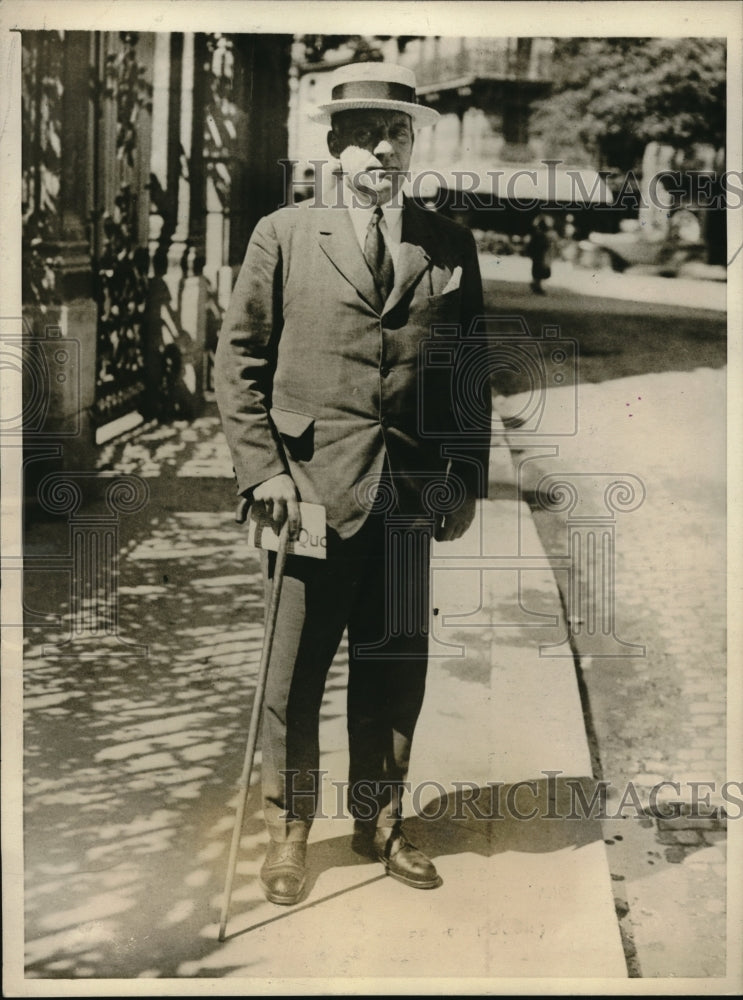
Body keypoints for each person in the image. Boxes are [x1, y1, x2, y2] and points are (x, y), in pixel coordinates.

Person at [214, 62, 490, 906]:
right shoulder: (285, 234)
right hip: (306, 493)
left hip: (407, 494)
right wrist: (262, 471)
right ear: (335, 147)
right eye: (366, 133)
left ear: (412, 145)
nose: (382, 148)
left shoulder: (446, 243)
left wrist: (464, 478)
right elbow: (239, 361)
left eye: (397, 132)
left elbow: (468, 371)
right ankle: (290, 828)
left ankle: (381, 820)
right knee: (293, 672)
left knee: (394, 663)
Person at [526, 213, 557, 294]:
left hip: (542, 254)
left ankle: (537, 285)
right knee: (540, 270)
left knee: (541, 270)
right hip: (540, 254)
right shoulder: (540, 234)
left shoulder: (545, 234)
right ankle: (538, 286)